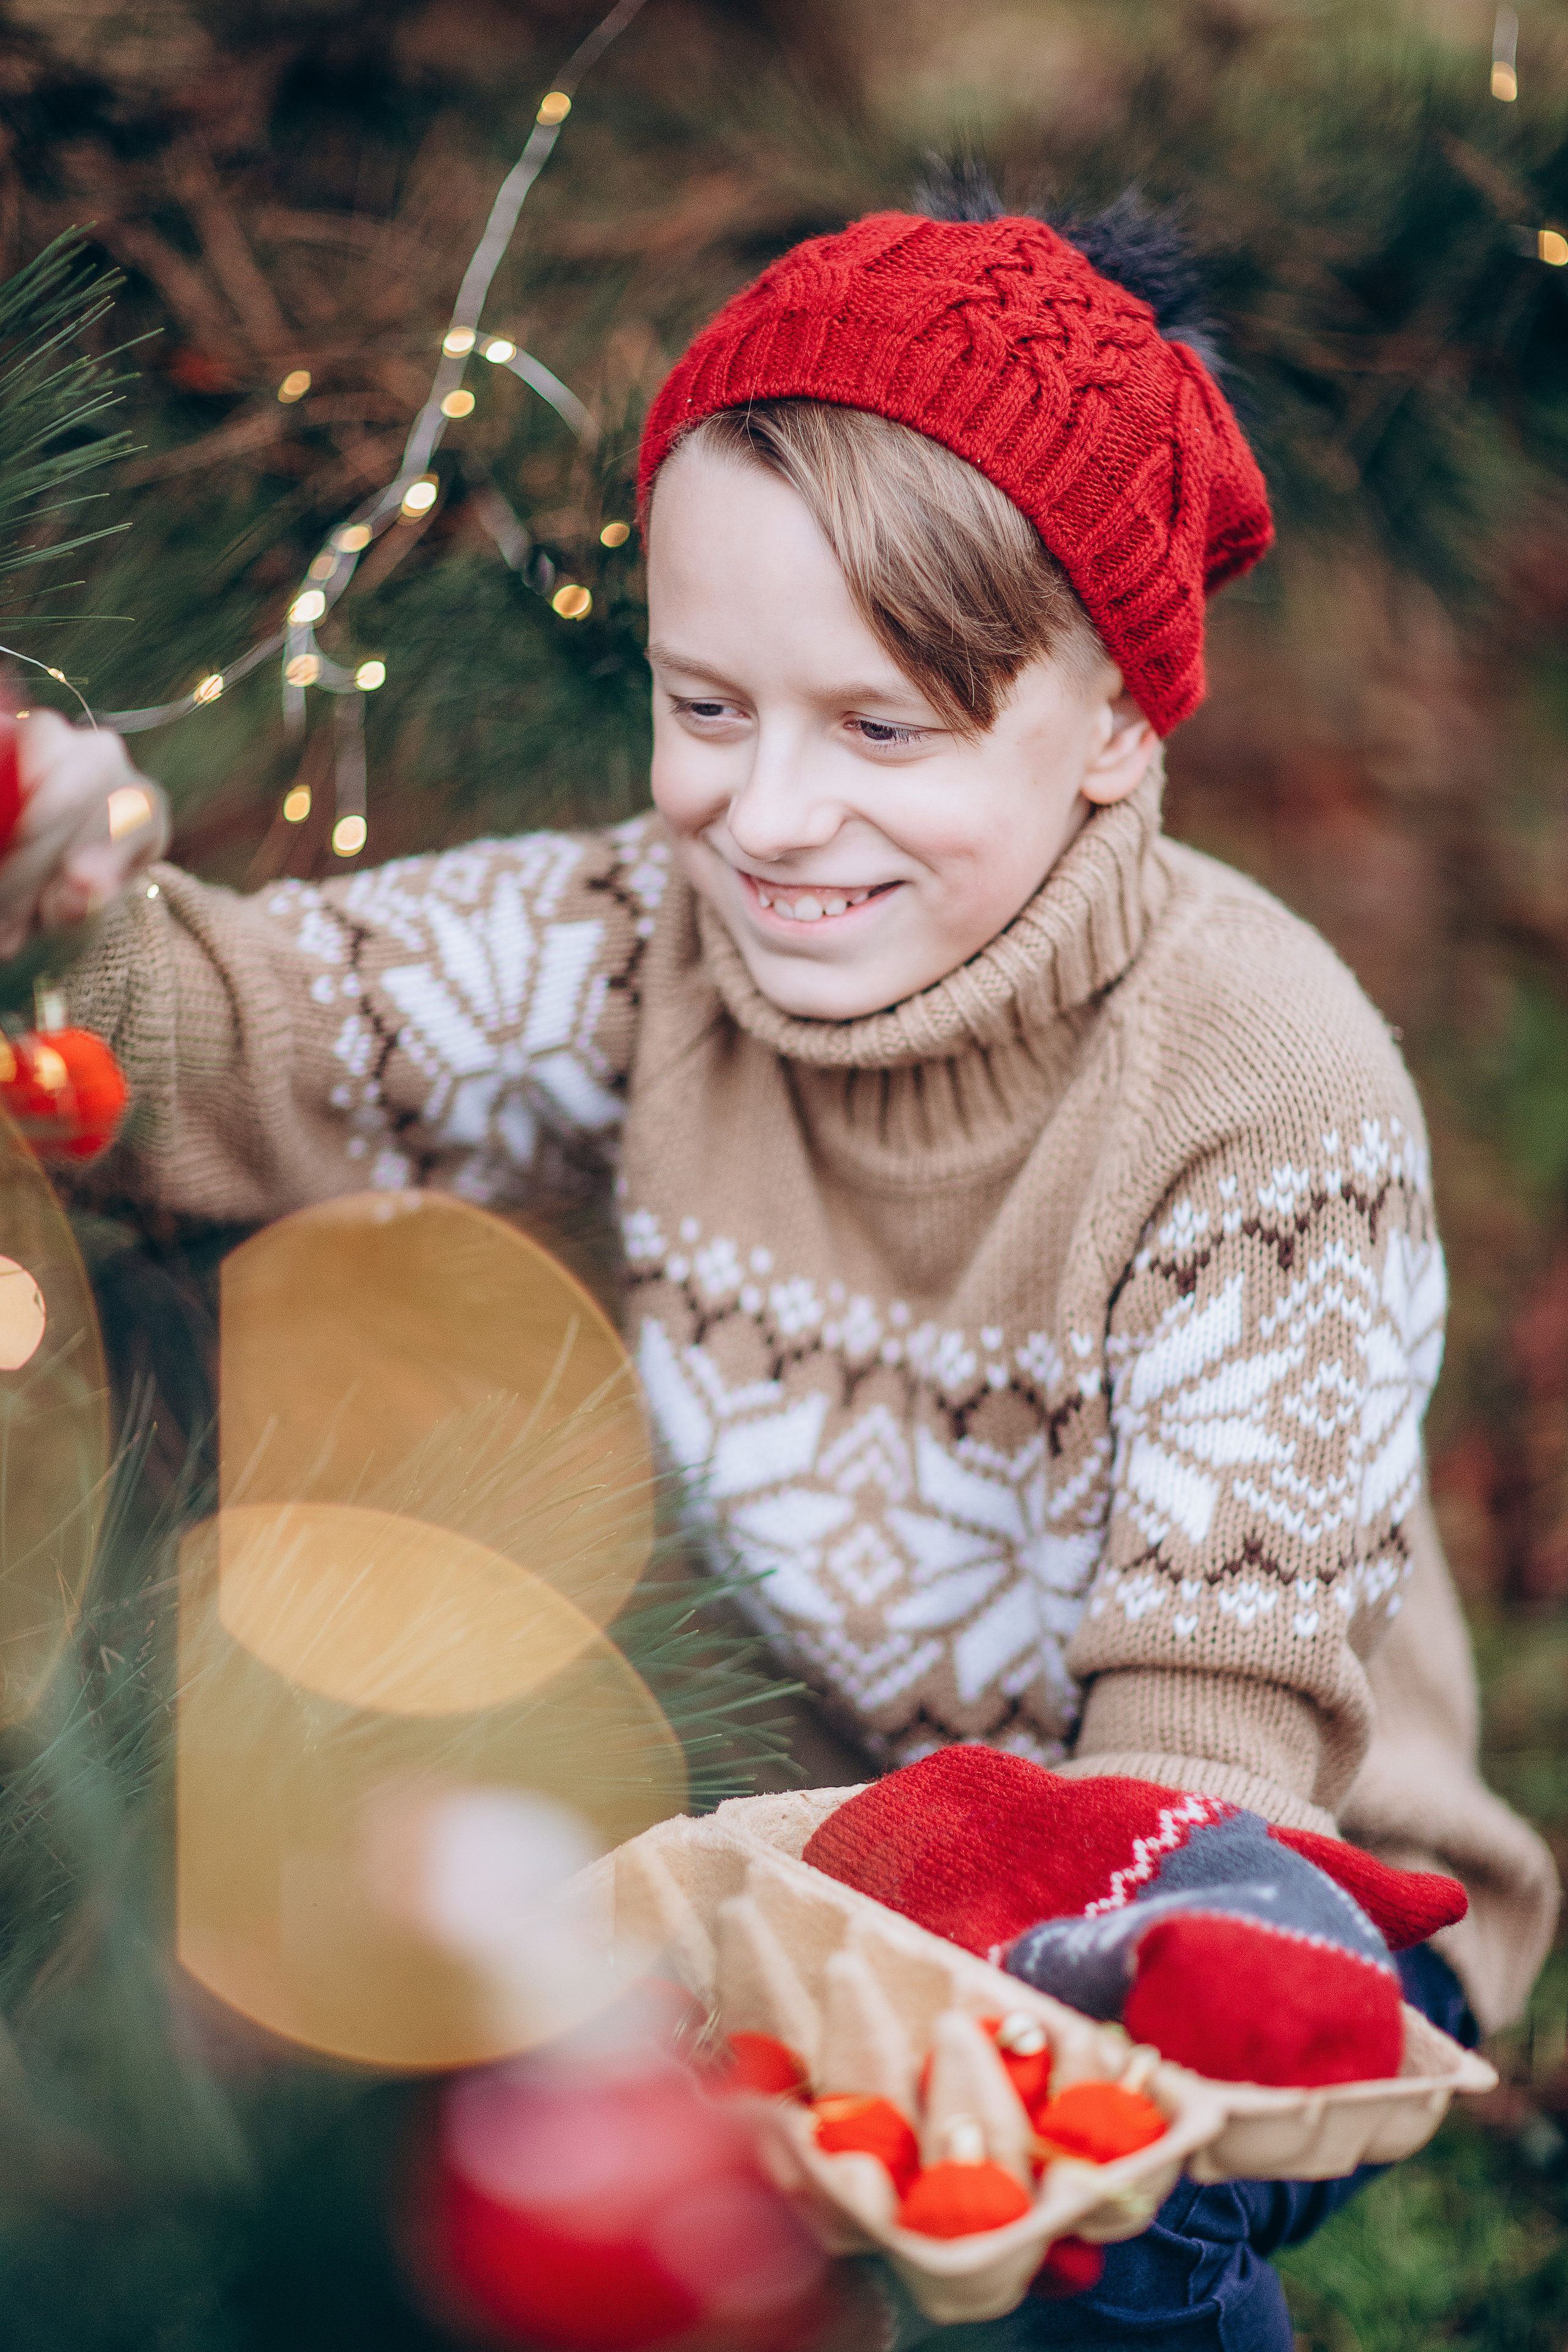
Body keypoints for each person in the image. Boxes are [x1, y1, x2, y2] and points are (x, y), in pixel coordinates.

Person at [2, 179, 1556, 2346]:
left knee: (1083, 2229)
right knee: (502, 2107)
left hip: (1238, 1882)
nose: (770, 814)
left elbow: (1211, 1733)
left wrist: (942, 2017)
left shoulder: (1260, 1098)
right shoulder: (658, 933)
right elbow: (266, 1049)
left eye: (884, 729)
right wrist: (64, 900)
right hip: (820, 1813)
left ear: (1119, 723)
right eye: (708, 706)